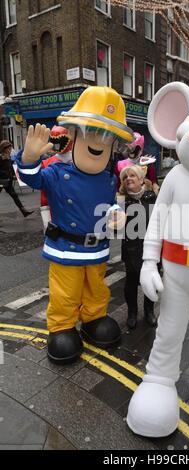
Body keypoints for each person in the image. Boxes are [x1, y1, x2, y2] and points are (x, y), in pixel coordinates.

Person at [15, 86, 133, 364]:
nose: (99, 143)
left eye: (107, 138)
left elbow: (109, 203)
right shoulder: (57, 173)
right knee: (65, 293)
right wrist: (29, 159)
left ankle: (93, 319)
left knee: (96, 288)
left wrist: (117, 212)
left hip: (97, 249)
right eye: (93, 134)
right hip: (66, 248)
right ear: (74, 135)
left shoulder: (108, 179)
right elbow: (33, 179)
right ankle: (62, 326)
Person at [119, 165, 158, 329]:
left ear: (142, 179)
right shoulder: (122, 200)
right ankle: (132, 313)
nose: (128, 178)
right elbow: (116, 229)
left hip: (152, 248)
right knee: (131, 282)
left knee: (152, 281)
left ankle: (149, 311)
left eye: (132, 175)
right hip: (131, 248)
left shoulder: (153, 197)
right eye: (125, 177)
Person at [0, 140, 34, 217]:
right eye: (8, 148)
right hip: (1, 181)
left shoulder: (8, 157)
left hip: (8, 181)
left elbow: (10, 167)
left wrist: (12, 175)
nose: (10, 150)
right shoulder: (1, 157)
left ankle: (24, 211)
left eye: (10, 148)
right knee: (14, 196)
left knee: (15, 196)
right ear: (3, 149)